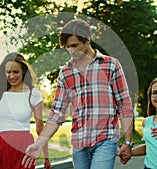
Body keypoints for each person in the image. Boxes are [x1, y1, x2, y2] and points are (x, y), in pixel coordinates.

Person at [22, 18, 134, 169]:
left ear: (87, 40)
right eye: (68, 47)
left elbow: (124, 105)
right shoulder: (66, 73)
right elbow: (57, 113)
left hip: (105, 139)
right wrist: (39, 144)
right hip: (79, 142)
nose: (71, 51)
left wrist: (127, 142)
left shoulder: (110, 65)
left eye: (75, 45)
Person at [0, 52, 52, 169]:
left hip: (24, 145)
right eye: (8, 72)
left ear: (23, 71)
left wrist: (46, 157)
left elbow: (40, 128)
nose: (11, 76)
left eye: (15, 72)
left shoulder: (33, 94)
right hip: (1, 145)